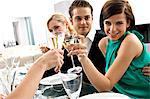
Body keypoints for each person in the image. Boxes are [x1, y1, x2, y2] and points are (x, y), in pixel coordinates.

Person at [67, 0, 150, 98]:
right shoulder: (104, 43)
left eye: (119, 23)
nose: (112, 29)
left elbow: (106, 86)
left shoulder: (130, 41)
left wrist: (83, 58)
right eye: (108, 23)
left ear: (128, 23)